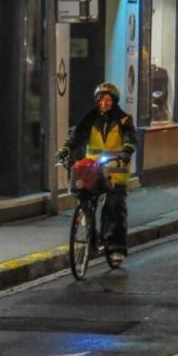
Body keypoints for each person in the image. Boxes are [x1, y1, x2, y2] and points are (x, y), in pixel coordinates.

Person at [57, 82, 137, 265]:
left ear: (114, 101)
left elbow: (130, 138)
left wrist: (126, 152)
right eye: (102, 99)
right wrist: (66, 149)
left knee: (114, 206)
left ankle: (116, 248)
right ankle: (89, 235)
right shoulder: (90, 118)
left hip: (115, 172)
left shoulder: (124, 120)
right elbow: (77, 136)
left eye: (108, 100)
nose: (104, 103)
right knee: (84, 198)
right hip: (93, 171)